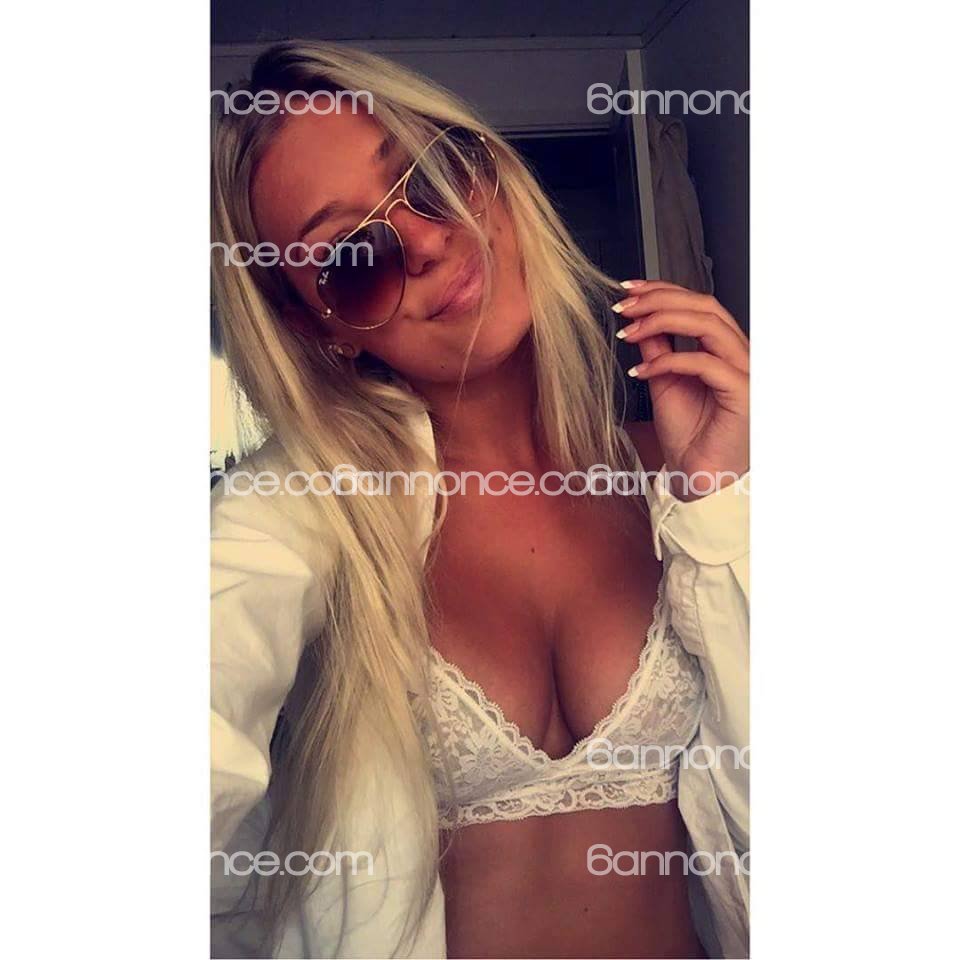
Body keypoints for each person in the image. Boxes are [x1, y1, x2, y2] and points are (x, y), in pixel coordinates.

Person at [211, 40, 750, 959]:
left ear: (487, 168)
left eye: (431, 175)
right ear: (318, 324)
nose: (428, 242)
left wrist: (725, 502)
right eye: (353, 256)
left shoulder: (678, 476)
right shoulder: (307, 513)